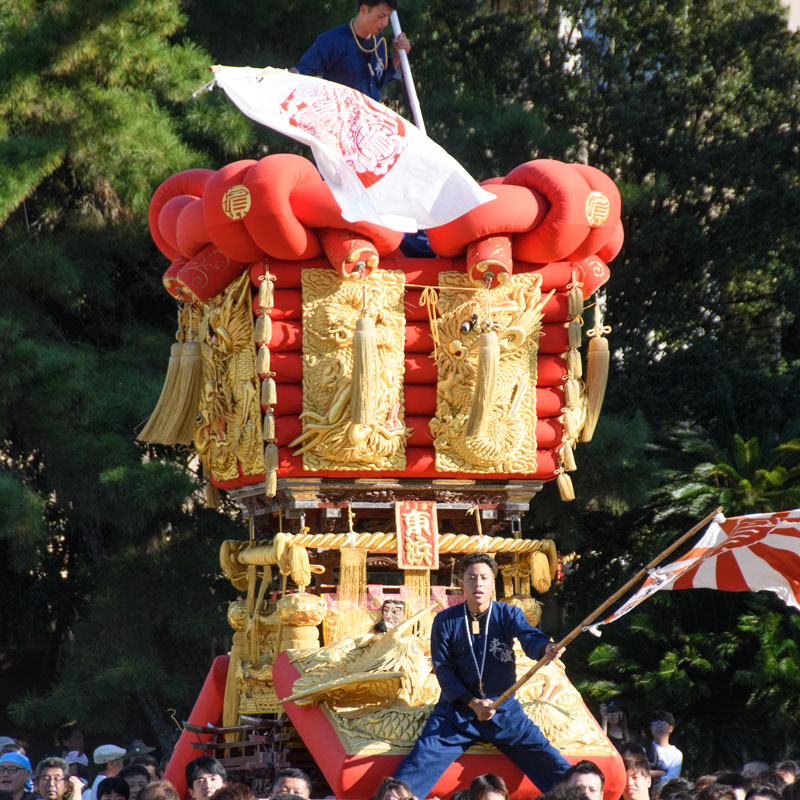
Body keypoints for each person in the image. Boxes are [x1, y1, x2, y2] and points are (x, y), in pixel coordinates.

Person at [393, 553, 570, 798]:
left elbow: (529, 636)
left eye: (484, 578)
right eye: (472, 578)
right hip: (456, 713)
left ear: (492, 583)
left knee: (553, 764)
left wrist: (545, 648)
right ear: (462, 583)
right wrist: (472, 702)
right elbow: (443, 670)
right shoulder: (445, 621)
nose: (478, 584)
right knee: (413, 769)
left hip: (504, 711)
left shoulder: (508, 614)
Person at [292, 0, 411, 102]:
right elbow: (300, 73)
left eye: (388, 17)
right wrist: (281, 78)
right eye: (381, 16)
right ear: (363, 10)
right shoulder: (333, 41)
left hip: (366, 123)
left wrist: (398, 55)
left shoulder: (379, 43)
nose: (385, 23)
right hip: (337, 120)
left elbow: (378, 81)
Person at [646, 711, 682, 787]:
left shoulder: (676, 754)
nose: (658, 726)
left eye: (662, 723)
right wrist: (660, 773)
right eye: (654, 724)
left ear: (671, 728)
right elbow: (637, 772)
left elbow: (671, 778)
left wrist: (649, 773)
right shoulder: (643, 748)